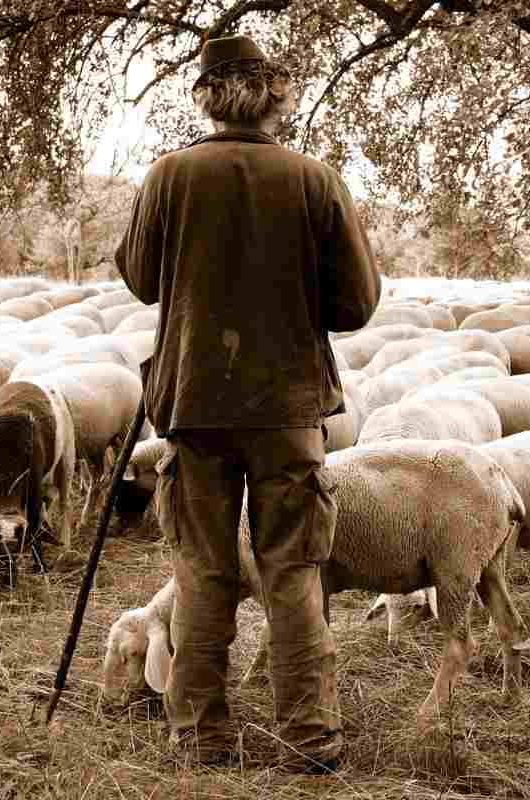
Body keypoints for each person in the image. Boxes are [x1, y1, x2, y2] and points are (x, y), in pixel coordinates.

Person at [114, 34, 380, 773]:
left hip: (194, 404)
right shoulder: (314, 179)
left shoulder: (169, 175)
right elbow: (356, 305)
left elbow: (140, 279)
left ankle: (200, 736)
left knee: (203, 569)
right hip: (289, 407)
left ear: (205, 96)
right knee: (293, 572)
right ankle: (309, 741)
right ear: (275, 96)